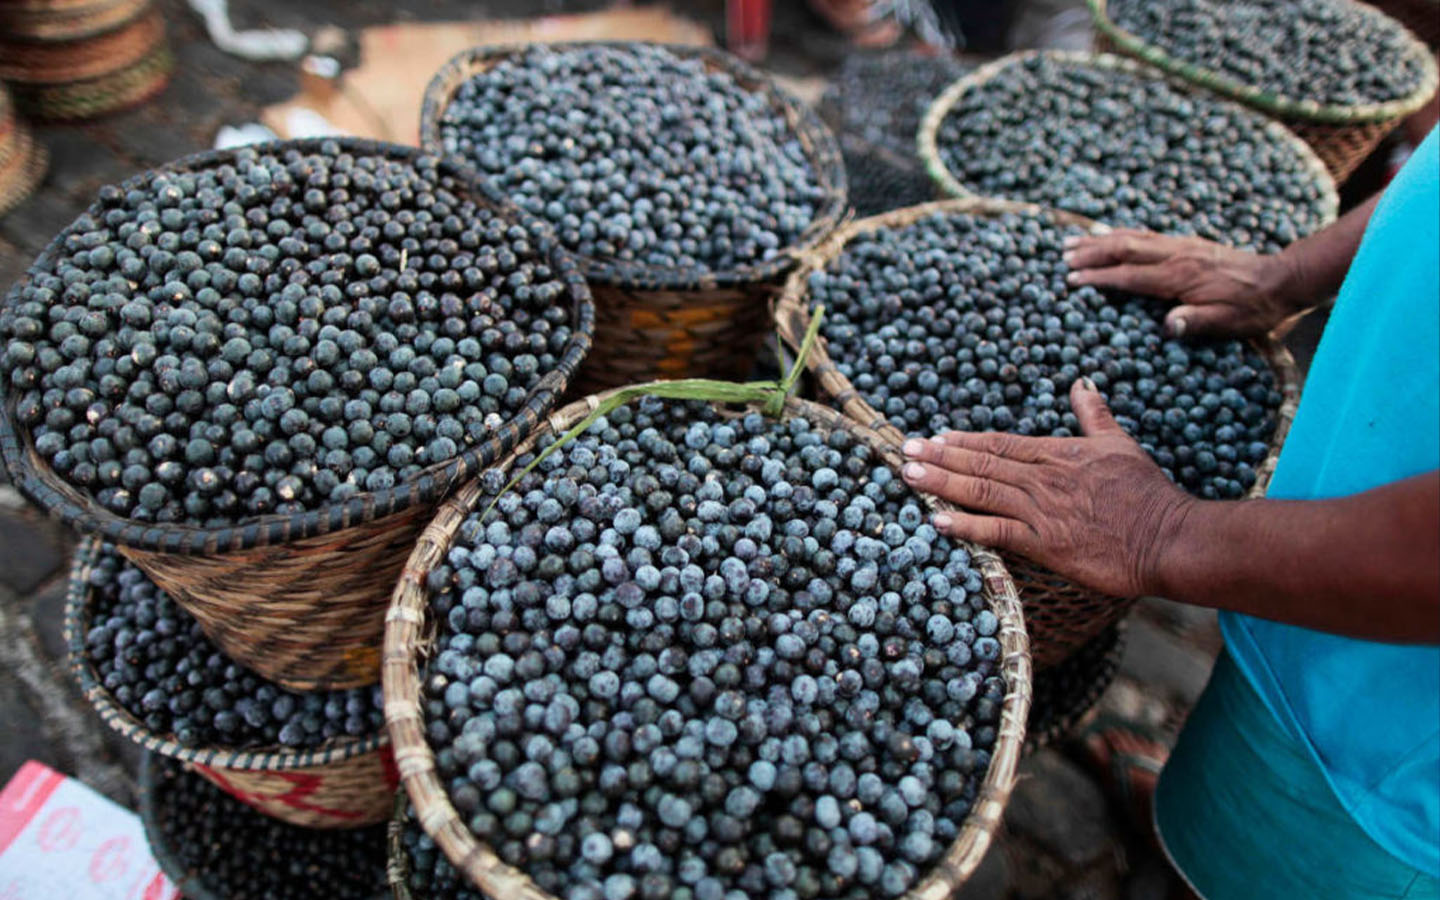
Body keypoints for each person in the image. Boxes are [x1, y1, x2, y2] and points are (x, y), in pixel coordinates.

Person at [899, 127, 1440, 899]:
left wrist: (1165, 534)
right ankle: (1186, 819)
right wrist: (1288, 274)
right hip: (1315, 595)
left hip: (1396, 767)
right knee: (1232, 788)